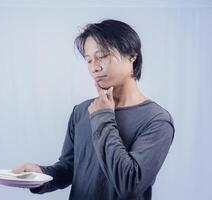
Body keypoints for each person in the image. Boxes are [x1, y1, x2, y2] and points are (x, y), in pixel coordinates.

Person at [12, 19, 175, 200]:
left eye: (102, 56)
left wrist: (103, 116)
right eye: (89, 60)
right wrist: (39, 175)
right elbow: (69, 168)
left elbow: (129, 184)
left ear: (132, 55)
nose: (94, 68)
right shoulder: (82, 111)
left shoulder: (156, 120)